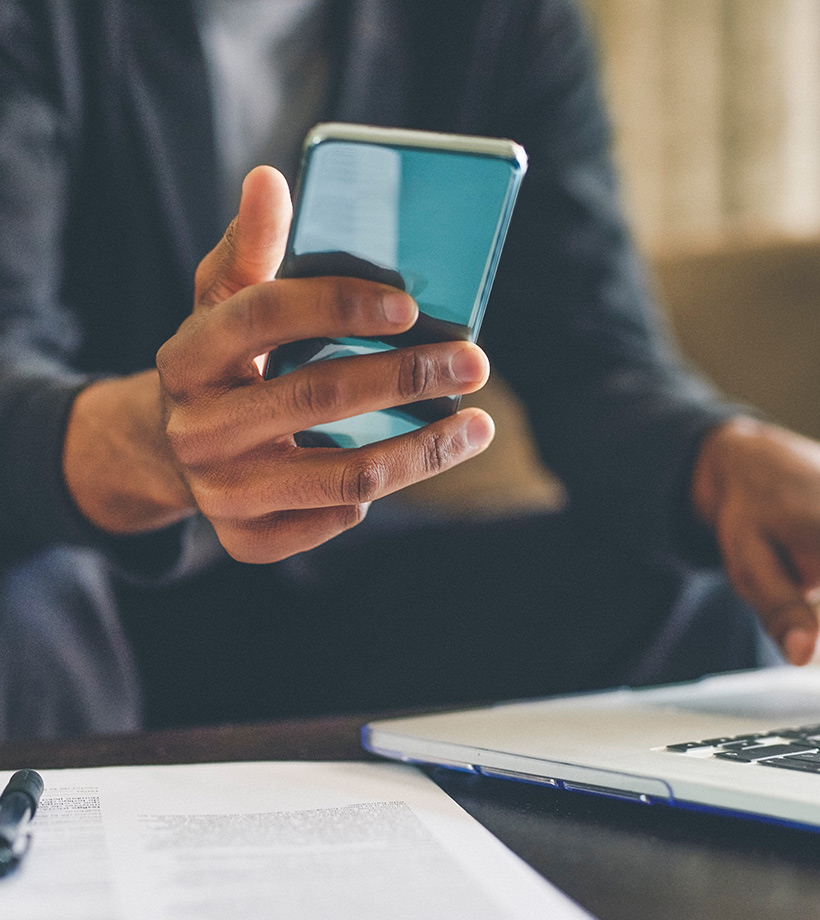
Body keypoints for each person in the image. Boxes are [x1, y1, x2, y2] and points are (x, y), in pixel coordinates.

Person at [2, 0, 820, 739]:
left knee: (694, 596)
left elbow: (590, 351)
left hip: (336, 581)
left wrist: (722, 460)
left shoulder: (503, 20)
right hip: (77, 557)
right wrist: (159, 449)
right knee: (30, 610)